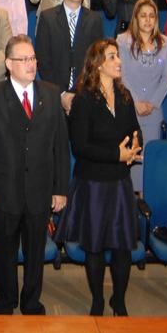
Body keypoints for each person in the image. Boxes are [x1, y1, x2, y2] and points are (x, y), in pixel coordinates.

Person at [0, 34, 69, 315]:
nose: (31, 64)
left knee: (35, 252)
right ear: (8, 64)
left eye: (33, 58)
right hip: (4, 191)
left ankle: (31, 300)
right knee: (5, 252)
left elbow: (61, 147)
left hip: (40, 191)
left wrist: (60, 188)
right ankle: (5, 299)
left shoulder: (51, 95)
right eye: (23, 59)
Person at [58, 38, 142, 316]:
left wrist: (133, 148)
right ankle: (97, 301)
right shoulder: (84, 99)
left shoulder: (125, 96)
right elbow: (79, 146)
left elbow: (135, 131)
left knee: (122, 247)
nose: (118, 61)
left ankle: (119, 300)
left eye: (118, 56)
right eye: (112, 57)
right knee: (94, 246)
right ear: (98, 65)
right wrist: (115, 154)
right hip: (93, 183)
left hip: (119, 181)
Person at [117, 0, 167, 190]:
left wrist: (152, 103)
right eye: (143, 16)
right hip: (130, 108)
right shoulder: (123, 41)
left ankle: (148, 204)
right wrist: (137, 102)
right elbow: (122, 75)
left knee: (150, 160)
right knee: (131, 159)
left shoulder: (166, 43)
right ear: (136, 18)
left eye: (151, 16)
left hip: (154, 111)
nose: (148, 20)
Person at [34, 0, 104, 114]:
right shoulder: (47, 18)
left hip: (86, 96)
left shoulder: (94, 20)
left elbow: (96, 61)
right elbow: (43, 61)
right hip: (54, 96)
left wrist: (81, 93)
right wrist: (61, 94)